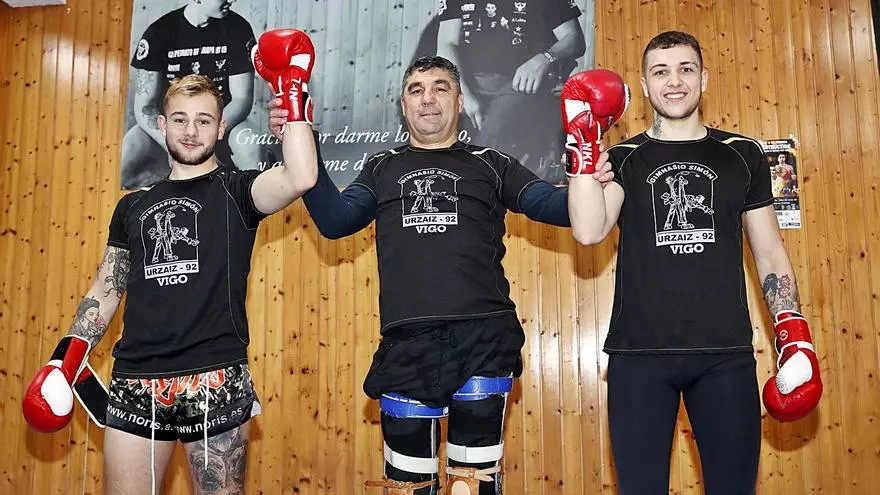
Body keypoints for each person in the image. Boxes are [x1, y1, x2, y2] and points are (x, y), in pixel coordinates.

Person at [267, 55, 614, 495]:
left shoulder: (491, 162)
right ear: (403, 105)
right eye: (416, 90)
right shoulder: (381, 166)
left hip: (483, 337)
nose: (427, 98)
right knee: (408, 485)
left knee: (473, 484)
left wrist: (587, 173)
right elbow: (336, 221)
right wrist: (300, 137)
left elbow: (556, 207)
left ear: (460, 101)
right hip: (407, 343)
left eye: (440, 87)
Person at [23, 73, 318, 494]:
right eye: (180, 119)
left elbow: (301, 178)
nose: (191, 130)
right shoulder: (132, 206)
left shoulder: (239, 190)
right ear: (162, 125)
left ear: (221, 128)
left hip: (214, 378)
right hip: (135, 379)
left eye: (203, 120)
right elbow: (105, 290)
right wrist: (63, 360)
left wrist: (294, 103)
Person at [565, 31, 822, 494]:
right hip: (639, 355)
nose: (674, 81)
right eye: (661, 72)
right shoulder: (623, 157)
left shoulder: (742, 154)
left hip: (724, 354)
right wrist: (583, 148)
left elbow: (769, 251)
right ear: (645, 86)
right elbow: (588, 231)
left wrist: (793, 332)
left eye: (685, 69)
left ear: (703, 78)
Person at [436, 0, 586, 181]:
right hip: (470, 85)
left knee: (498, 122)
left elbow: (574, 39)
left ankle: (474, 183)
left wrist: (545, 58)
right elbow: (446, 44)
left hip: (520, 85)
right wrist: (462, 92)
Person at [122, 0, 261, 189]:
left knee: (250, 145)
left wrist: (207, 136)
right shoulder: (159, 31)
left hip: (222, 125)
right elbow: (144, 105)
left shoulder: (239, 28)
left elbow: (241, 99)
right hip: (170, 128)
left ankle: (248, 202)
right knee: (128, 148)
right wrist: (172, 144)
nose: (232, 0)